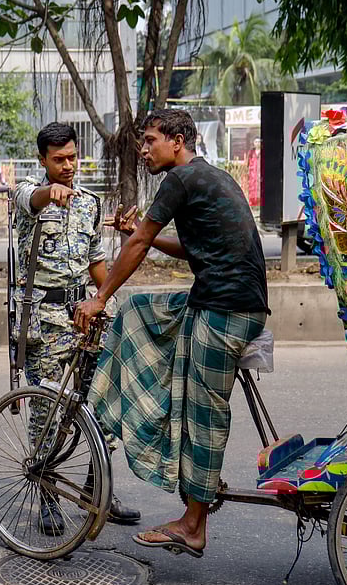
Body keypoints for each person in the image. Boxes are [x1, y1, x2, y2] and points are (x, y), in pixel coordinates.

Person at [74, 108, 269, 558]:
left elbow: (138, 244)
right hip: (227, 303)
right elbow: (186, 246)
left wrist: (99, 297)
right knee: (140, 309)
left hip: (225, 311)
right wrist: (139, 231)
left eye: (150, 141)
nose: (143, 150)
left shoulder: (180, 180)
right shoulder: (204, 177)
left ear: (177, 141)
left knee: (204, 413)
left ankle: (193, 525)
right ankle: (133, 408)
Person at [12, 123, 141, 536]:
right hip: (43, 321)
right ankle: (47, 493)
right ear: (43, 161)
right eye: (58, 160)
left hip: (84, 314)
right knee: (47, 415)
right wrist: (48, 193)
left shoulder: (89, 203)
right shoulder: (27, 195)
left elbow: (95, 262)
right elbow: (30, 199)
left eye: (72, 157)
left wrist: (107, 298)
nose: (68, 167)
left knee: (105, 404)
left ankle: (95, 490)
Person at [245, 137, 262, 208]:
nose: (257, 143)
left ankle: (259, 203)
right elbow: (248, 162)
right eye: (256, 142)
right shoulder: (251, 152)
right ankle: (253, 203)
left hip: (260, 171)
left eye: (259, 142)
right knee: (252, 186)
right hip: (252, 172)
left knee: (259, 187)